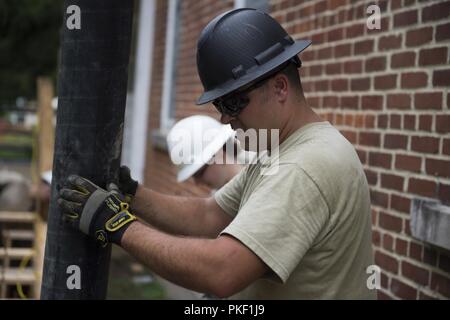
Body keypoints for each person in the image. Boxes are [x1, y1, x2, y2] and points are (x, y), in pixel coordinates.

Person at [58, 8, 376, 299]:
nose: (225, 118)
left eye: (233, 102)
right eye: (220, 105)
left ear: (280, 87)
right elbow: (209, 215)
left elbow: (222, 270)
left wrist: (117, 226)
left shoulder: (304, 166)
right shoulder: (280, 151)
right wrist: (133, 197)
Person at [167, 115, 248, 190]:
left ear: (219, 155)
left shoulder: (257, 188)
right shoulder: (221, 200)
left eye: (199, 173)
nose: (197, 183)